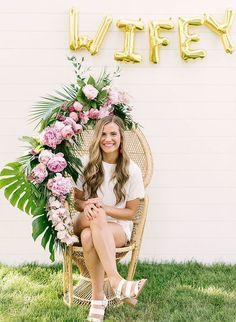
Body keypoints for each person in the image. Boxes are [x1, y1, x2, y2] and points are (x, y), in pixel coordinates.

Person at [73, 115, 147, 322]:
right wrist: (87, 205)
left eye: (113, 134)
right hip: (84, 218)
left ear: (121, 137)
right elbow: (76, 201)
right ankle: (116, 281)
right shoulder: (86, 163)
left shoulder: (132, 170)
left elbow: (131, 212)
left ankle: (98, 300)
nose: (108, 139)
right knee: (94, 215)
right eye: (103, 134)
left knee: (89, 237)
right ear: (97, 137)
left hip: (116, 229)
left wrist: (104, 208)